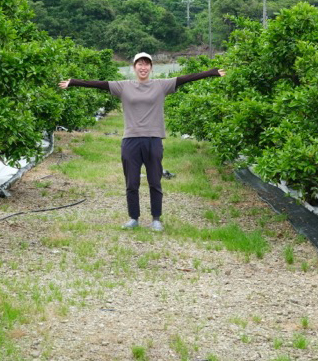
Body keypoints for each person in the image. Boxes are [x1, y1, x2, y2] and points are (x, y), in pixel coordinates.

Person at [58, 53, 225, 232]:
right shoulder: (123, 87)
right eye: (140, 64)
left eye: (146, 64)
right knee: (131, 182)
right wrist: (73, 82)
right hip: (130, 140)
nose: (143, 67)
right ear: (134, 67)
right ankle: (133, 218)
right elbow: (99, 84)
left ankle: (156, 219)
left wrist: (212, 72)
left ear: (151, 68)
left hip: (153, 139)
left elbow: (187, 78)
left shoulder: (162, 85)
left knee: (155, 180)